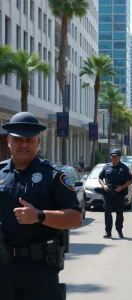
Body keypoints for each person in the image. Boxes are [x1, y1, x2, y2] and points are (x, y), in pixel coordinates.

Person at [0, 112, 83, 299]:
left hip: (39, 269)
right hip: (3, 268)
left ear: (38, 142)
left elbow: (76, 217)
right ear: (8, 142)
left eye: (29, 140)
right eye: (18, 139)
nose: (23, 144)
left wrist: (39, 216)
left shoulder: (53, 175)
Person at [98, 149, 132, 239]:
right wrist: (104, 185)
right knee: (107, 213)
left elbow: (130, 180)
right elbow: (100, 178)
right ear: (111, 157)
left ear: (120, 157)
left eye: (116, 157)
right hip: (108, 194)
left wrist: (122, 187)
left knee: (119, 213)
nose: (114, 158)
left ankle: (119, 230)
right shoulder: (107, 167)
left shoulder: (125, 168)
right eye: (113, 157)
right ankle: (108, 232)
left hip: (120, 194)